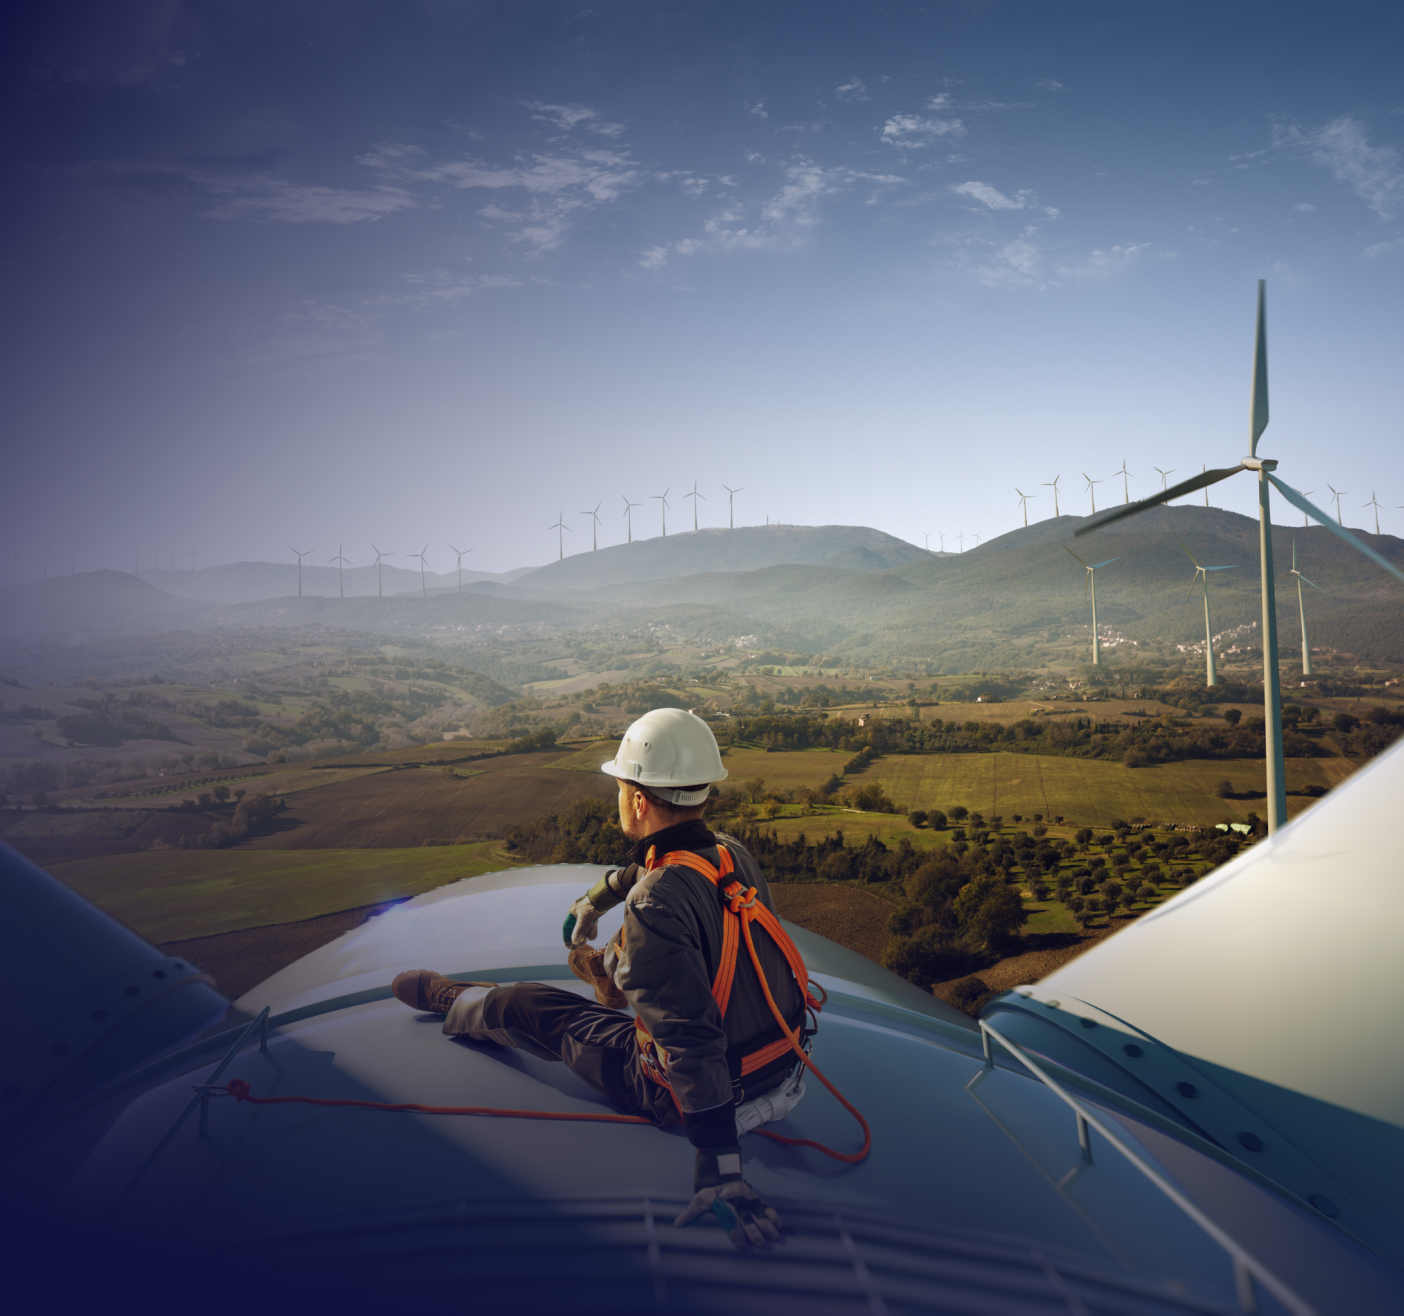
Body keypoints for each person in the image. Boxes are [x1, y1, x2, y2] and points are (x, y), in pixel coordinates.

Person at [390, 708, 810, 1249]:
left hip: (707, 1100)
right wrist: (598, 898)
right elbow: (656, 868)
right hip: (785, 1073)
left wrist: (722, 1170)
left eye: (620, 786)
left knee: (531, 1005)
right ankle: (600, 975)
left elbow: (690, 1041)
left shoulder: (655, 902)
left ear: (637, 798)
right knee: (624, 982)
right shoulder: (731, 853)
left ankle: (462, 1001)